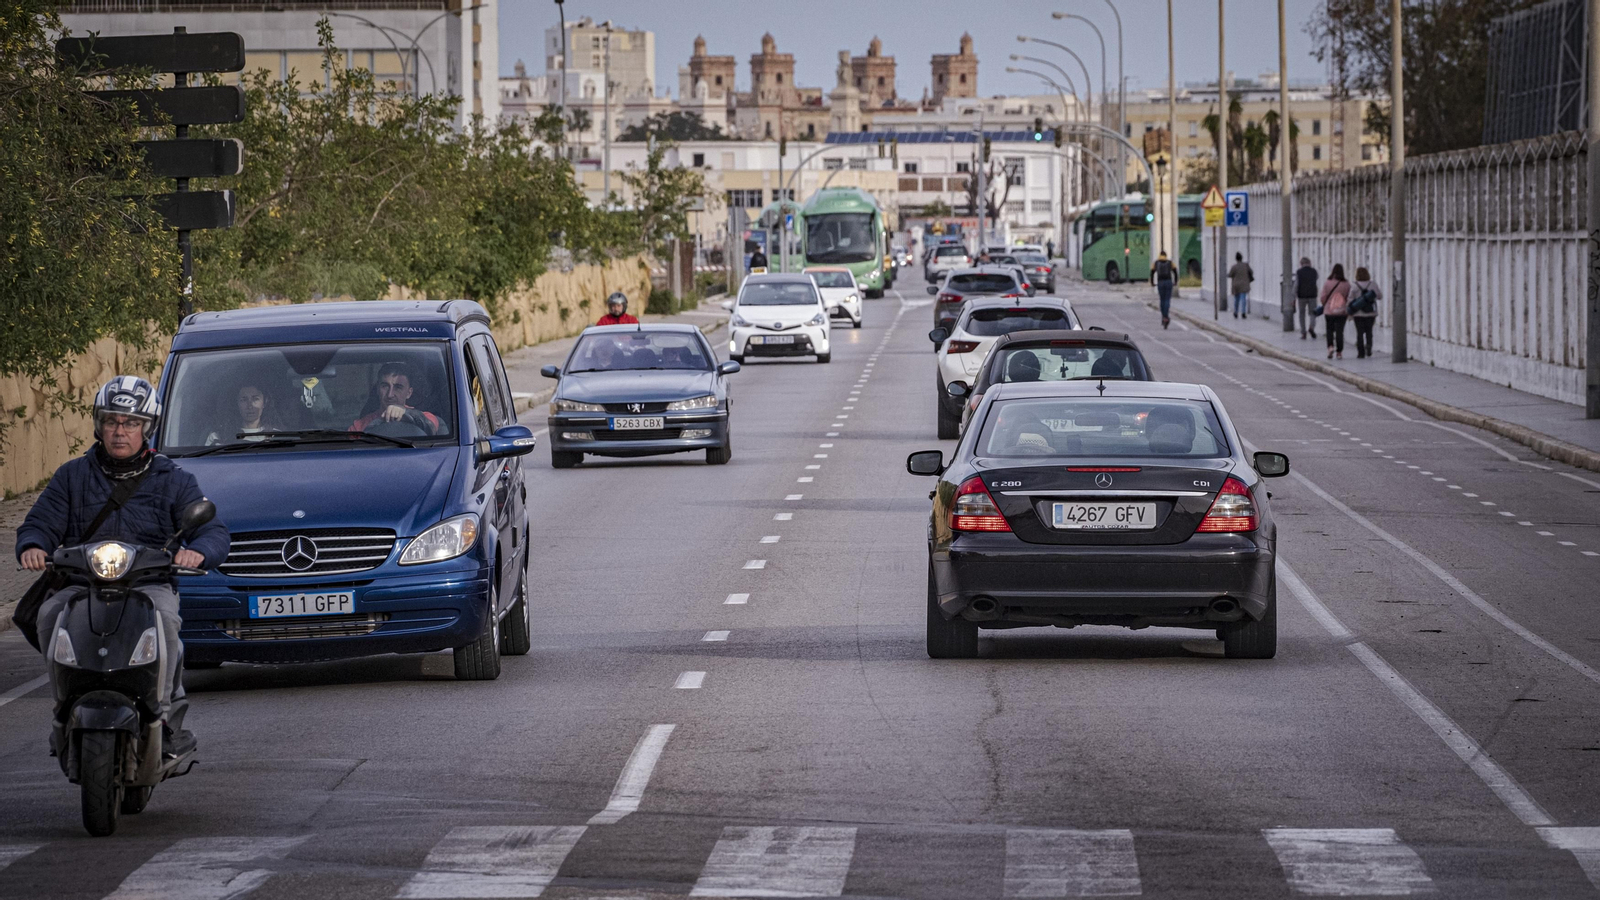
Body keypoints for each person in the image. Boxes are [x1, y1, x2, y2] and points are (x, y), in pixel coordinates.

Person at [16, 376, 230, 756]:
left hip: (149, 583)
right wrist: (33, 545)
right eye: (112, 421)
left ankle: (160, 717)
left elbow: (211, 530)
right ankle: (63, 708)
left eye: (131, 423)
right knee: (50, 613)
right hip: (82, 581)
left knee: (165, 618)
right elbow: (41, 521)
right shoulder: (72, 475)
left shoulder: (173, 479)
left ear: (147, 428)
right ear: (99, 425)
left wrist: (197, 551)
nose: (120, 432)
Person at [351, 362, 443, 434]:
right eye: (385, 386)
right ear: (378, 390)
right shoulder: (359, 426)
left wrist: (406, 414)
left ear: (409, 393)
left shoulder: (426, 417)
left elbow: (431, 427)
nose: (390, 394)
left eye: (398, 387)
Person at [205, 381, 278, 445]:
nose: (250, 406)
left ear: (265, 402)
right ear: (236, 404)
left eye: (255, 399)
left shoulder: (278, 437)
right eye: (244, 400)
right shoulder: (217, 438)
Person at [1318, 263, 1353, 360]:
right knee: (1339, 331)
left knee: (1329, 330)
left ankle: (1330, 347)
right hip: (1342, 311)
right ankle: (1339, 352)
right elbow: (1349, 297)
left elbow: (1323, 297)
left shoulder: (1327, 283)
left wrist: (1326, 304)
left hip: (1329, 311)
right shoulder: (1346, 284)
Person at [1349, 266, 1383, 358]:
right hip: (1370, 313)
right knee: (1369, 332)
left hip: (1358, 314)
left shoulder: (1354, 285)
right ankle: (1369, 347)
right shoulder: (1372, 284)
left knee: (1359, 333)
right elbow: (1379, 296)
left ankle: (1361, 352)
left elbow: (1350, 299)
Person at [1294, 257, 1320, 340]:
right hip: (1312, 295)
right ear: (1309, 263)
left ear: (1301, 264)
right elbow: (1316, 278)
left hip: (1302, 296)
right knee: (1313, 313)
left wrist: (1293, 297)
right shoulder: (1314, 271)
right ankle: (1311, 327)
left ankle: (1303, 332)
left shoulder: (1299, 272)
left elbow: (1296, 285)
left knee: (1302, 314)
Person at [1150, 250, 1177, 329]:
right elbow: (1175, 271)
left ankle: (1164, 316)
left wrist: (1152, 282)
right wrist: (1175, 281)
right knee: (1167, 300)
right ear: (1165, 255)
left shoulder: (1156, 263)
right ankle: (1166, 316)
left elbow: (1152, 272)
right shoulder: (1170, 262)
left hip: (1160, 283)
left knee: (1162, 300)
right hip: (1168, 282)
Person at [1227, 252, 1253, 319]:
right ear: (1241, 258)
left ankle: (1236, 312)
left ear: (1236, 259)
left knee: (1236, 299)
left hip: (1236, 285)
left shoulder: (1234, 267)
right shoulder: (1246, 265)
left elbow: (1230, 275)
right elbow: (1251, 272)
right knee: (1243, 299)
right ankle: (1243, 313)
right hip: (1244, 284)